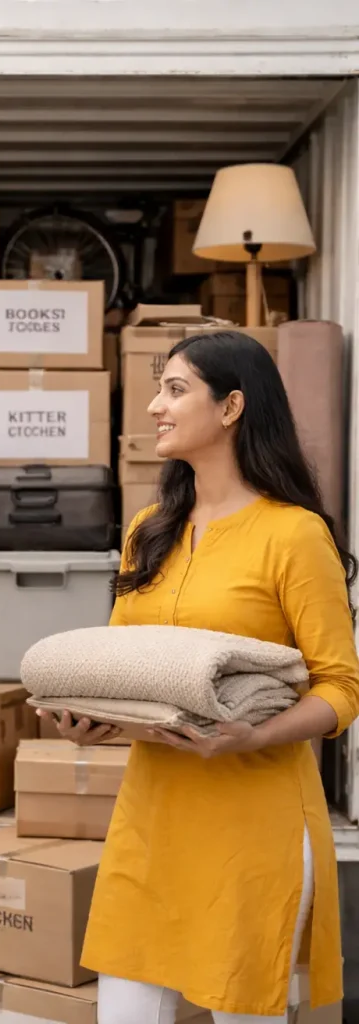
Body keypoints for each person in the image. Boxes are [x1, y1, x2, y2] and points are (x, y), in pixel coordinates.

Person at [46, 330, 359, 1023]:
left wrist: (250, 737)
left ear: (231, 407)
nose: (155, 406)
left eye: (174, 389)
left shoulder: (293, 534)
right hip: (150, 818)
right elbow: (120, 664)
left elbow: (340, 687)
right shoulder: (149, 529)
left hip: (253, 827)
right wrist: (90, 720)